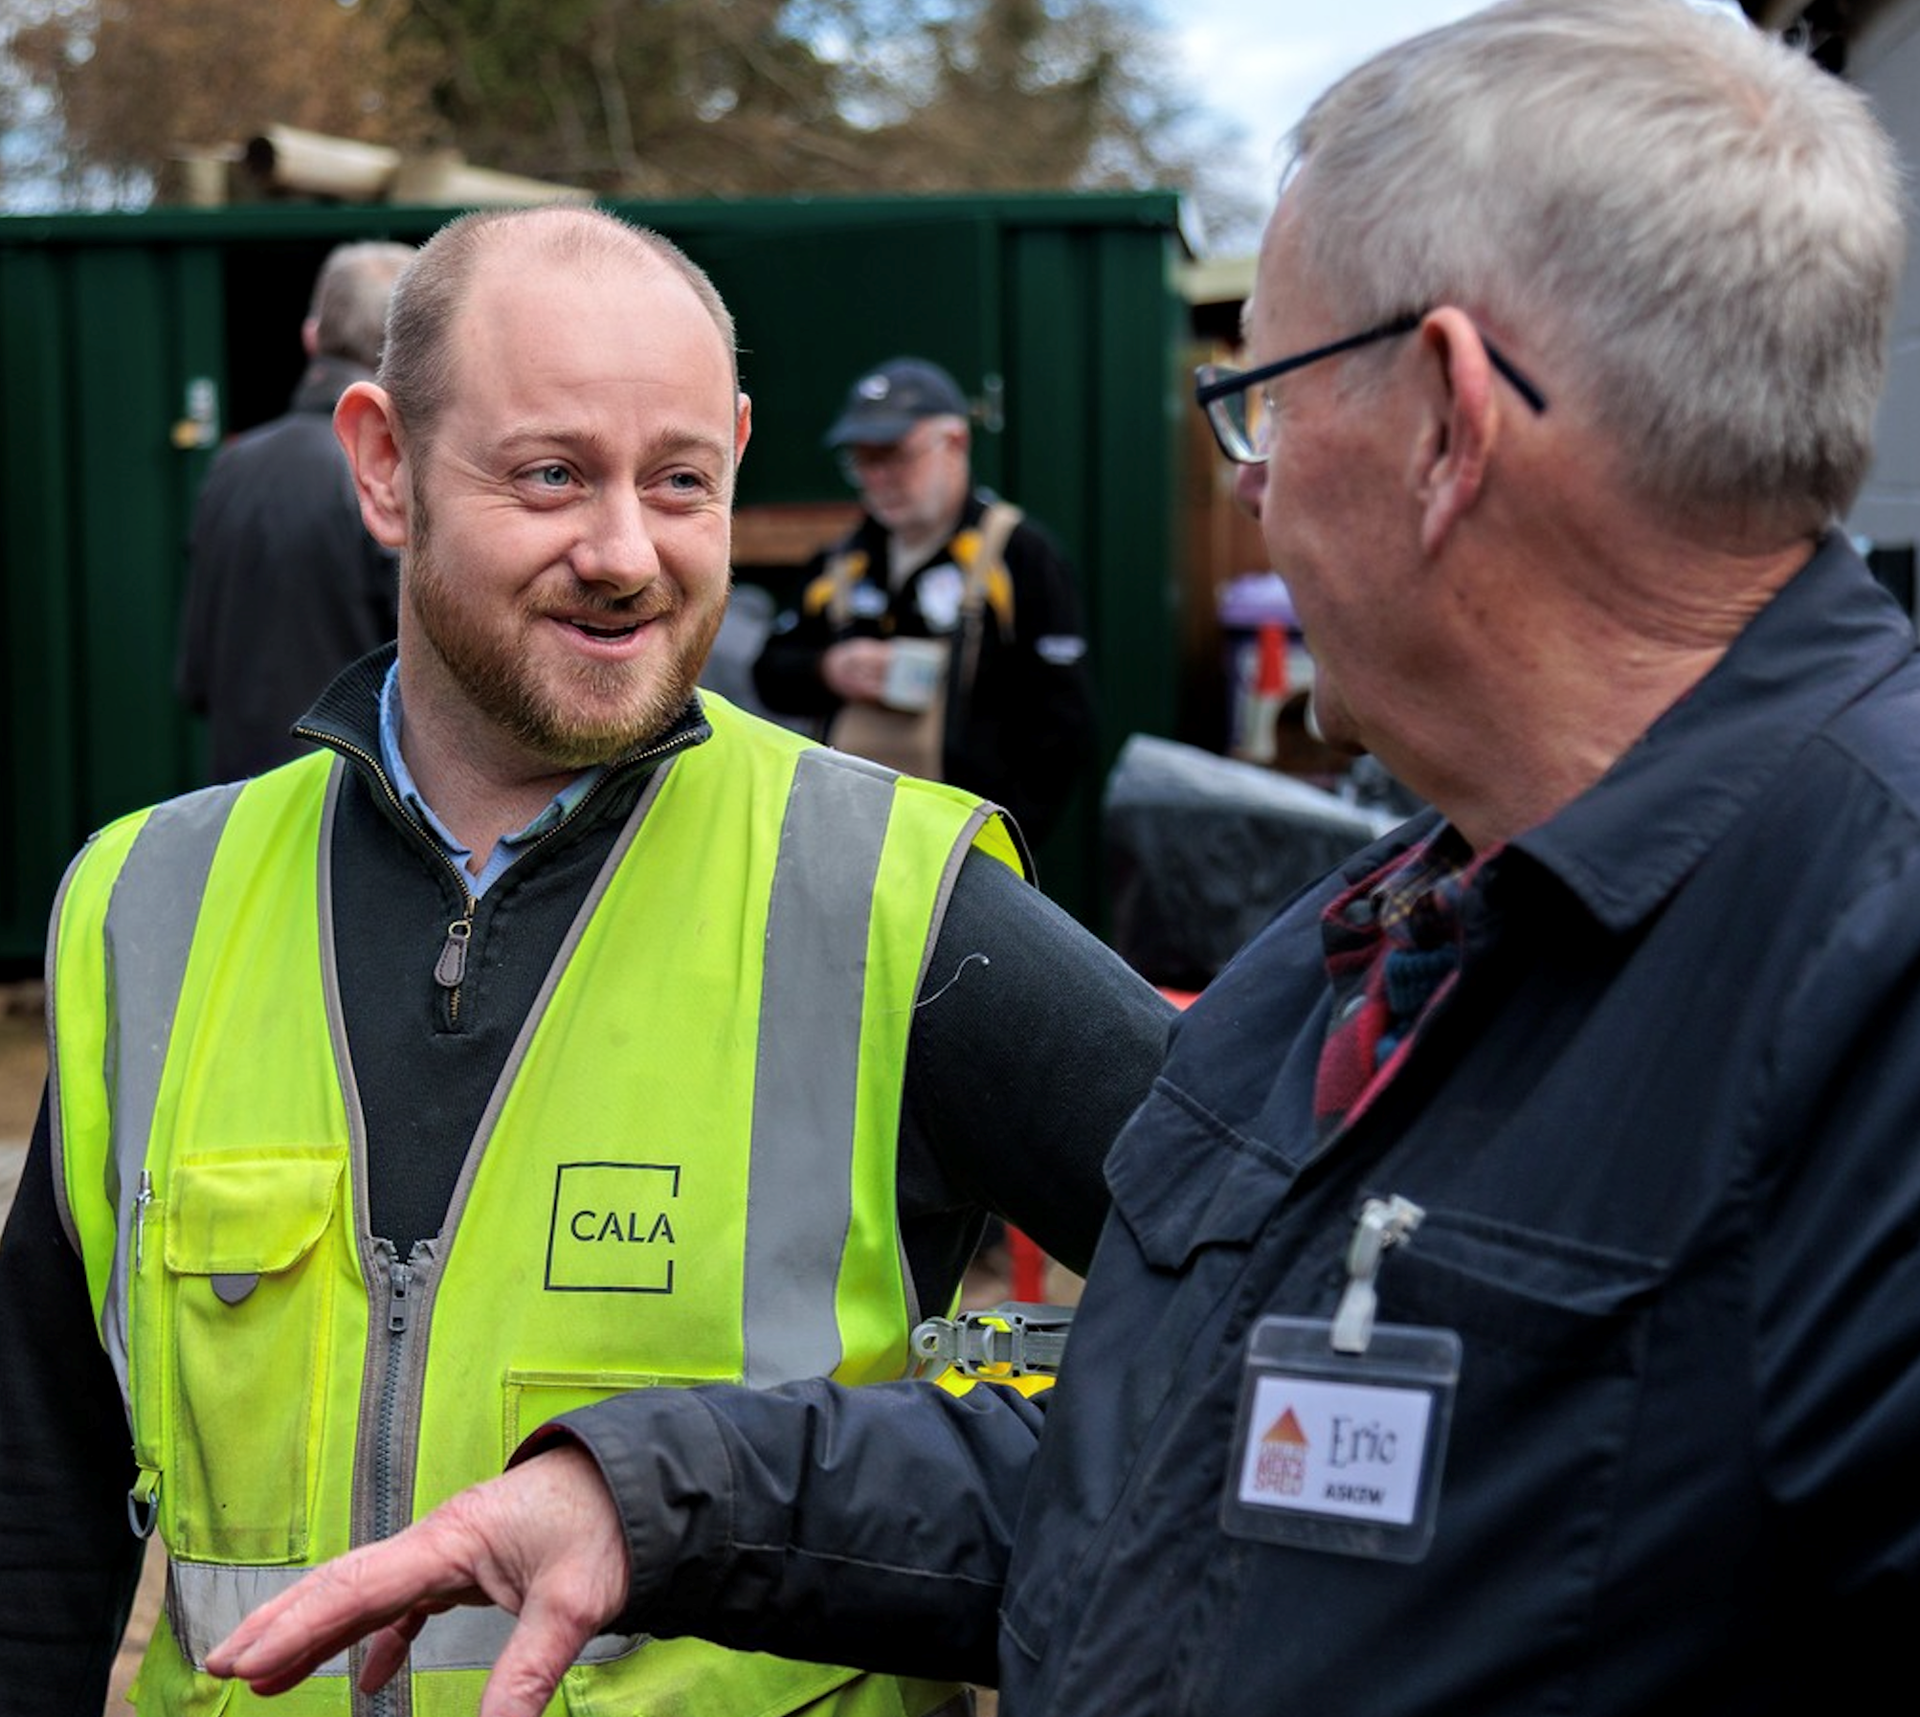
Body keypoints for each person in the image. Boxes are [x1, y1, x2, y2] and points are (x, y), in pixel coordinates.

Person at [202, 4, 1920, 1713]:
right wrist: (652, 1498)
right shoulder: (1364, 961)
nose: (1244, 490)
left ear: (1447, 420)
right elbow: (1172, 1472)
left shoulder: (1867, 982)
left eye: (1261, 399)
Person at [0, 205, 1173, 1716]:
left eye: (680, 480)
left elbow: (1265, 1331)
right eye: (551, 474)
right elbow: (37, 1480)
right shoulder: (146, 902)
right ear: (385, 465)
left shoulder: (895, 901)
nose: (625, 553)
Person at [752, 357, 1096, 847]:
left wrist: (1004, 842)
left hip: (969, 846)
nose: (878, 478)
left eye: (894, 455)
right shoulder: (840, 562)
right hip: (845, 840)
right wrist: (829, 669)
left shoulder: (1021, 555)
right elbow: (769, 673)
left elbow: (1063, 722)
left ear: (956, 442)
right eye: (863, 460)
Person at [174, 241, 414, 781]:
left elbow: (195, 677)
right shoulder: (397, 477)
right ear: (417, 350)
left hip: (240, 810)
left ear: (311, 336)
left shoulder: (230, 466)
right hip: (357, 817)